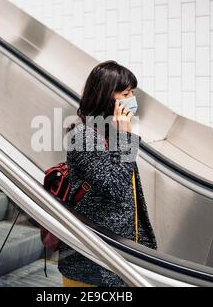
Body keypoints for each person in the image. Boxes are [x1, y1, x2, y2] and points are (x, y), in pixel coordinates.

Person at [58, 60, 157, 287]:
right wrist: (126, 137)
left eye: (132, 92)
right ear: (107, 95)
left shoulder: (109, 132)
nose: (132, 100)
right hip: (93, 265)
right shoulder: (82, 137)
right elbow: (115, 186)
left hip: (117, 256)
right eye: (126, 93)